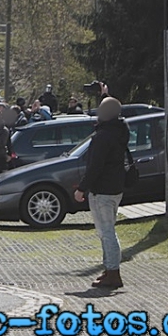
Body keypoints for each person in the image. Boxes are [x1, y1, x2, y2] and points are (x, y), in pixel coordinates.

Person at [74, 97, 129, 289]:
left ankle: (113, 273)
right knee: (107, 231)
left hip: (103, 189)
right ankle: (109, 269)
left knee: (106, 232)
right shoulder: (120, 131)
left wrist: (82, 188)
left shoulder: (103, 136)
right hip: (115, 187)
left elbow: (95, 166)